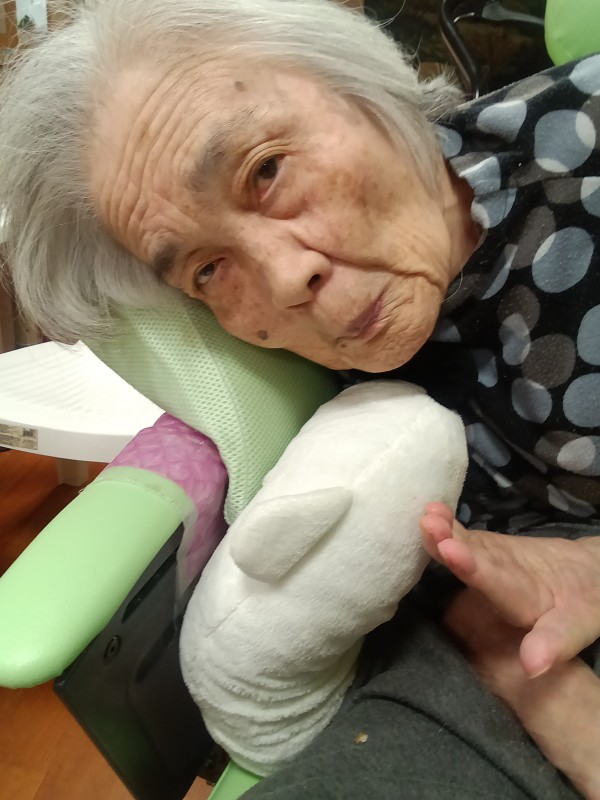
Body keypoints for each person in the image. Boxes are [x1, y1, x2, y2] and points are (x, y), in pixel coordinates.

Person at [1, 0, 599, 796]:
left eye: (267, 171)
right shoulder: (301, 381)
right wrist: (503, 659)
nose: (286, 279)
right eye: (207, 270)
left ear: (363, 88)